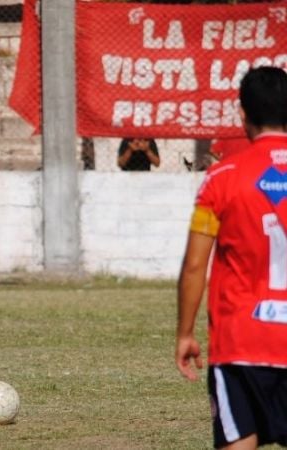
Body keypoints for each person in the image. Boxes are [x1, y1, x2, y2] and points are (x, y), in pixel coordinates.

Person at [176, 66, 287, 449]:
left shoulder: (222, 178)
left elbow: (194, 265)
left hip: (241, 342)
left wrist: (185, 333)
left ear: (242, 114)